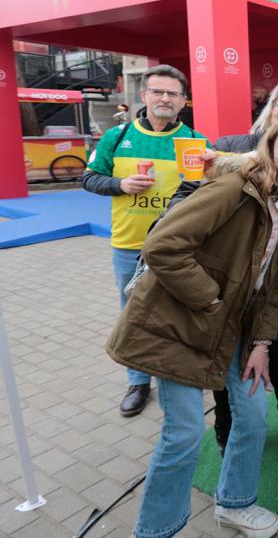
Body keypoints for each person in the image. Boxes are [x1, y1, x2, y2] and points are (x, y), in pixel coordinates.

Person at [106, 113, 278, 538]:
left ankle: (235, 504)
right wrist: (208, 296)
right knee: (184, 432)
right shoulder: (234, 189)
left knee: (253, 415)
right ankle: (154, 531)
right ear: (268, 146)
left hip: (233, 328)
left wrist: (262, 342)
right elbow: (162, 245)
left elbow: (269, 280)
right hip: (182, 322)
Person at [168, 76, 278, 452]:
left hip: (270, 283)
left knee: (271, 355)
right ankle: (224, 430)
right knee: (219, 372)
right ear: (271, 107)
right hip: (219, 285)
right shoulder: (231, 150)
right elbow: (183, 205)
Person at [83, 64, 208, 417]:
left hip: (178, 250)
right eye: (158, 91)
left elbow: (212, 189)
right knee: (133, 315)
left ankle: (178, 375)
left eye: (172, 93)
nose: (165, 98)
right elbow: (89, 178)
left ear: (183, 100)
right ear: (144, 95)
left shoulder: (196, 143)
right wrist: (120, 185)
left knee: (179, 311)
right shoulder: (118, 137)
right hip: (128, 246)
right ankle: (138, 382)